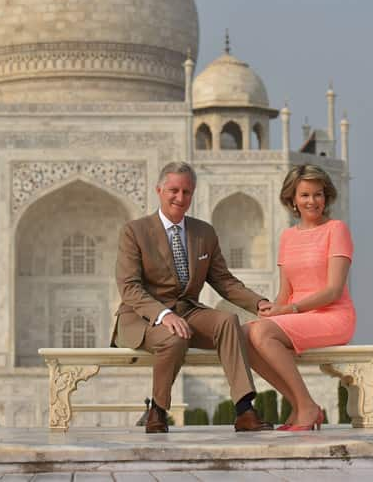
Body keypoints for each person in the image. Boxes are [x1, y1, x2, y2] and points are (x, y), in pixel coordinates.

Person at [112, 161, 274, 433]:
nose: (180, 197)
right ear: (159, 190)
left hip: (187, 313)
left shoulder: (203, 233)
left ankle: (245, 410)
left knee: (227, 321)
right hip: (142, 317)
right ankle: (158, 411)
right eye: (173, 190)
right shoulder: (135, 231)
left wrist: (258, 303)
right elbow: (129, 287)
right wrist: (164, 315)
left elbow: (223, 281)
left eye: (186, 192)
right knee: (173, 339)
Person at [244, 164, 355, 431]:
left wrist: (290, 310)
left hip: (332, 316)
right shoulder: (288, 237)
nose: (312, 201)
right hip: (299, 315)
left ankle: (306, 407)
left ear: (326, 197)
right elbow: (285, 291)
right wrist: (274, 310)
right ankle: (300, 403)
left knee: (261, 335)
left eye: (318, 194)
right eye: (305, 195)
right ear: (292, 199)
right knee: (243, 333)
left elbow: (333, 290)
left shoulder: (336, 229)